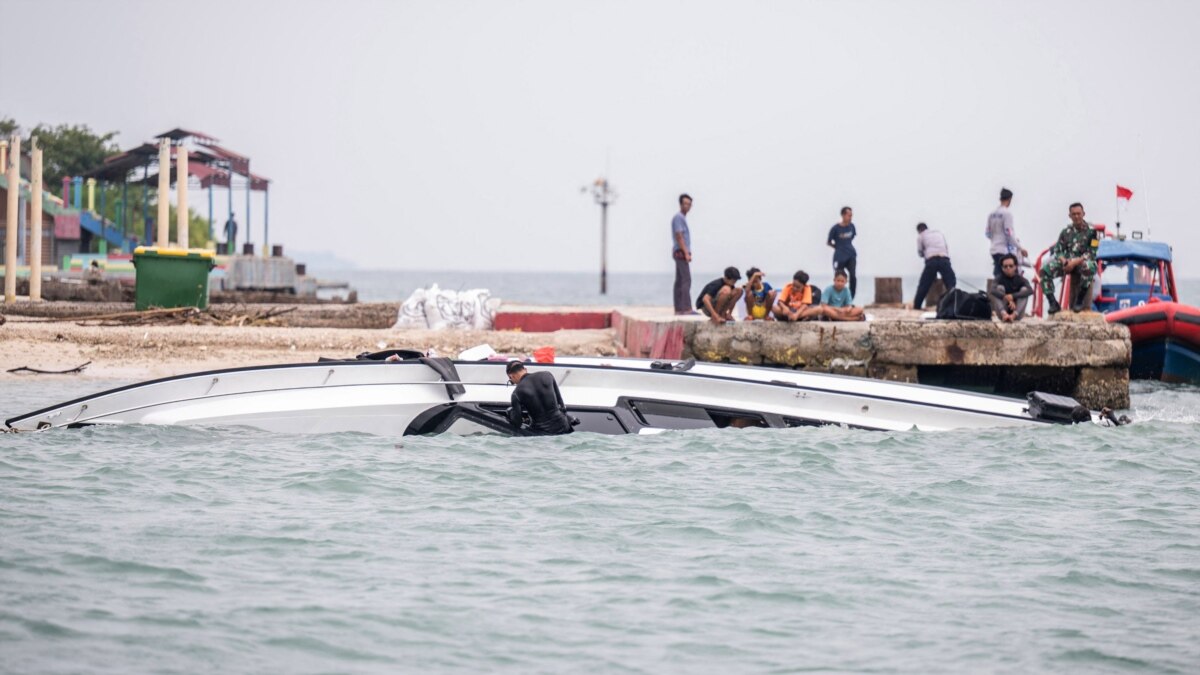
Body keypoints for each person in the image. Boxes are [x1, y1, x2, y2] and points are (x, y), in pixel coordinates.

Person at [1040, 202, 1099, 314]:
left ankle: (1079, 301)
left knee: (1089, 267)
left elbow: (1092, 252)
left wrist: (1075, 262)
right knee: (1044, 271)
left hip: (1082, 262)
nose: (1076, 216)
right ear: (1070, 216)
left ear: (1083, 214)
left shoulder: (1093, 232)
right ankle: (1053, 303)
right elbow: (1058, 250)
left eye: (1078, 213)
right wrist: (1064, 261)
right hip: (1067, 263)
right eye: (1074, 214)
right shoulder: (1065, 232)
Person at [505, 361, 574, 435]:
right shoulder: (547, 375)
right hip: (563, 426)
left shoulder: (516, 393)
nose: (514, 383)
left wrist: (510, 412)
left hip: (543, 433)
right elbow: (561, 405)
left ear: (511, 376)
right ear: (525, 369)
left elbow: (517, 423)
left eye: (511, 381)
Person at [913, 222, 957, 310]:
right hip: (944, 258)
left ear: (919, 230)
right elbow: (945, 247)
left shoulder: (921, 236)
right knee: (951, 283)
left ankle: (917, 306)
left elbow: (920, 252)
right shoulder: (938, 233)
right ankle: (953, 305)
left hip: (931, 260)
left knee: (924, 284)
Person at [986, 188, 1029, 277]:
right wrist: (1020, 248)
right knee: (1006, 274)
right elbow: (1009, 234)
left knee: (997, 272)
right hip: (1003, 249)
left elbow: (987, 233)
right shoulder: (1007, 214)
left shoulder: (991, 214)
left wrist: (995, 239)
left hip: (993, 248)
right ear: (1009, 199)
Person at [990, 253, 1033, 322]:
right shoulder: (999, 278)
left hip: (1017, 313)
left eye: (1011, 266)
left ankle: (1013, 316)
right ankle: (1005, 315)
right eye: (1005, 266)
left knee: (1024, 290)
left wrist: (1013, 296)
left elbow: (1030, 290)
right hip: (1002, 313)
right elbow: (992, 290)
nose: (1008, 268)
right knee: (999, 288)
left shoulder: (1021, 279)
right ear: (1002, 268)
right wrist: (1007, 298)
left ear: (1015, 266)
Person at [826, 206, 858, 299]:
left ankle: (851, 298)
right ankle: (837, 298)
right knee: (839, 277)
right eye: (849, 215)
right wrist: (838, 247)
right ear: (843, 215)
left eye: (851, 215)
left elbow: (852, 237)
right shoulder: (835, 228)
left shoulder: (852, 226)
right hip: (839, 256)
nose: (850, 217)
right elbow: (829, 242)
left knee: (853, 276)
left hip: (851, 254)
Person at [671, 194, 694, 315]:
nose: (687, 206)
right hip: (680, 251)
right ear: (680, 204)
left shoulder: (682, 218)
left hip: (680, 251)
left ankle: (679, 308)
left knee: (680, 280)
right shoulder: (679, 217)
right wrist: (686, 253)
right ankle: (686, 308)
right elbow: (679, 236)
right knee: (686, 279)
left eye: (689, 204)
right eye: (685, 203)